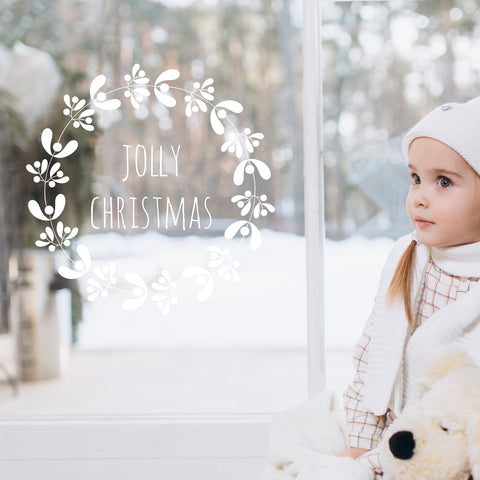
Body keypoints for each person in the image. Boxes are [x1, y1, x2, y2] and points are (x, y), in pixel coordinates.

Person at [336, 96, 480, 476]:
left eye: (444, 181)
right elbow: (372, 360)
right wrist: (359, 447)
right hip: (399, 437)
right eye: (415, 178)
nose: (419, 196)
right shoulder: (410, 259)